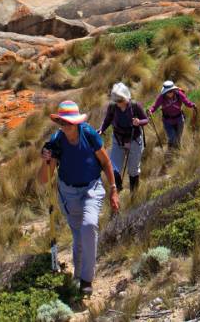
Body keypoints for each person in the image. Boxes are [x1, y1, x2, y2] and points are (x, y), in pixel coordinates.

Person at [38, 100, 120, 297]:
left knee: (89, 226)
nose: (66, 125)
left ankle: (86, 279)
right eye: (63, 122)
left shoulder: (89, 135)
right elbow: (43, 179)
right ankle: (78, 274)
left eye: (69, 122)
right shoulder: (56, 142)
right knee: (78, 236)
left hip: (92, 188)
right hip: (68, 193)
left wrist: (113, 189)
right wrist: (45, 161)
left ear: (76, 122)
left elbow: (106, 162)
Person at [99, 82, 148, 193]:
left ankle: (134, 194)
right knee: (114, 167)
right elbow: (107, 120)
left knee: (133, 170)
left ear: (126, 97)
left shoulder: (135, 106)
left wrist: (139, 122)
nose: (118, 104)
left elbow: (146, 120)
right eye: (116, 101)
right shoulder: (113, 107)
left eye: (120, 101)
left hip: (134, 139)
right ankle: (118, 189)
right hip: (118, 140)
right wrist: (101, 129)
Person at [147, 80, 198, 149]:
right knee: (172, 137)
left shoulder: (179, 94)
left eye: (171, 91)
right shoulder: (162, 97)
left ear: (174, 90)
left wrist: (192, 105)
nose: (169, 93)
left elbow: (186, 102)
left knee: (178, 137)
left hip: (179, 119)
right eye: (167, 92)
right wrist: (150, 111)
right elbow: (155, 106)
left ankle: (176, 151)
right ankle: (172, 147)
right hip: (167, 121)